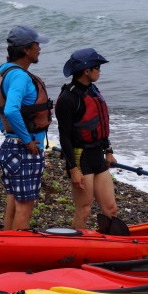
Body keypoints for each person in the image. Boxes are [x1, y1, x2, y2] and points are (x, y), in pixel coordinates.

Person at [0, 25, 53, 230]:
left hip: (10, 148)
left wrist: (7, 131)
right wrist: (26, 139)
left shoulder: (4, 71)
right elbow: (12, 110)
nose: (39, 48)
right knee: (25, 208)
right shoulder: (21, 76)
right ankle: (15, 253)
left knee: (13, 203)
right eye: (36, 44)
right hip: (25, 150)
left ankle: (4, 246)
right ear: (26, 49)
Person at [55, 47, 119, 230]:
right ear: (86, 71)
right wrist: (73, 169)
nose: (99, 71)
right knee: (84, 209)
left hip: (97, 155)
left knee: (111, 209)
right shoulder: (68, 98)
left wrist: (108, 152)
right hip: (80, 159)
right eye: (97, 67)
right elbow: (64, 137)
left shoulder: (93, 90)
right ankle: (74, 250)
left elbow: (100, 123)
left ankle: (110, 246)